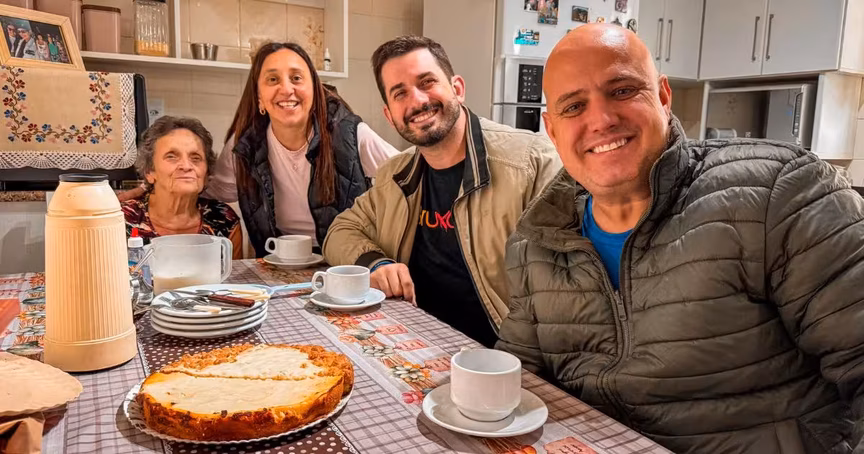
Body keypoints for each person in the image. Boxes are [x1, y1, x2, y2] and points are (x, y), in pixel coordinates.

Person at [495, 24, 863, 453]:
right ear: (552, 129)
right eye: (574, 106)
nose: (602, 119)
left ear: (663, 96)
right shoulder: (537, 240)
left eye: (622, 90)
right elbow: (520, 381)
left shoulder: (778, 195)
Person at [322, 36, 561, 347]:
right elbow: (339, 232)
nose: (417, 101)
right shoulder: (395, 175)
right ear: (389, 115)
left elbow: (569, 285)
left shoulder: (533, 163)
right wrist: (376, 263)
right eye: (400, 93)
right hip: (415, 340)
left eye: (427, 82)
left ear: (457, 88)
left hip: (501, 355)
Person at [205, 42, 398, 257]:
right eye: (273, 79)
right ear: (259, 97)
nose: (287, 89)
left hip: (344, 262)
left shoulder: (350, 134)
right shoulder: (244, 145)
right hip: (278, 260)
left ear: (315, 90)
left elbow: (411, 176)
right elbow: (209, 194)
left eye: (296, 78)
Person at [122, 116, 243, 259]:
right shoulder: (123, 220)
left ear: (206, 174)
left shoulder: (224, 220)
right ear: (149, 171)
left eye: (196, 158)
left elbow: (233, 272)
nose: (186, 166)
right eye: (171, 156)